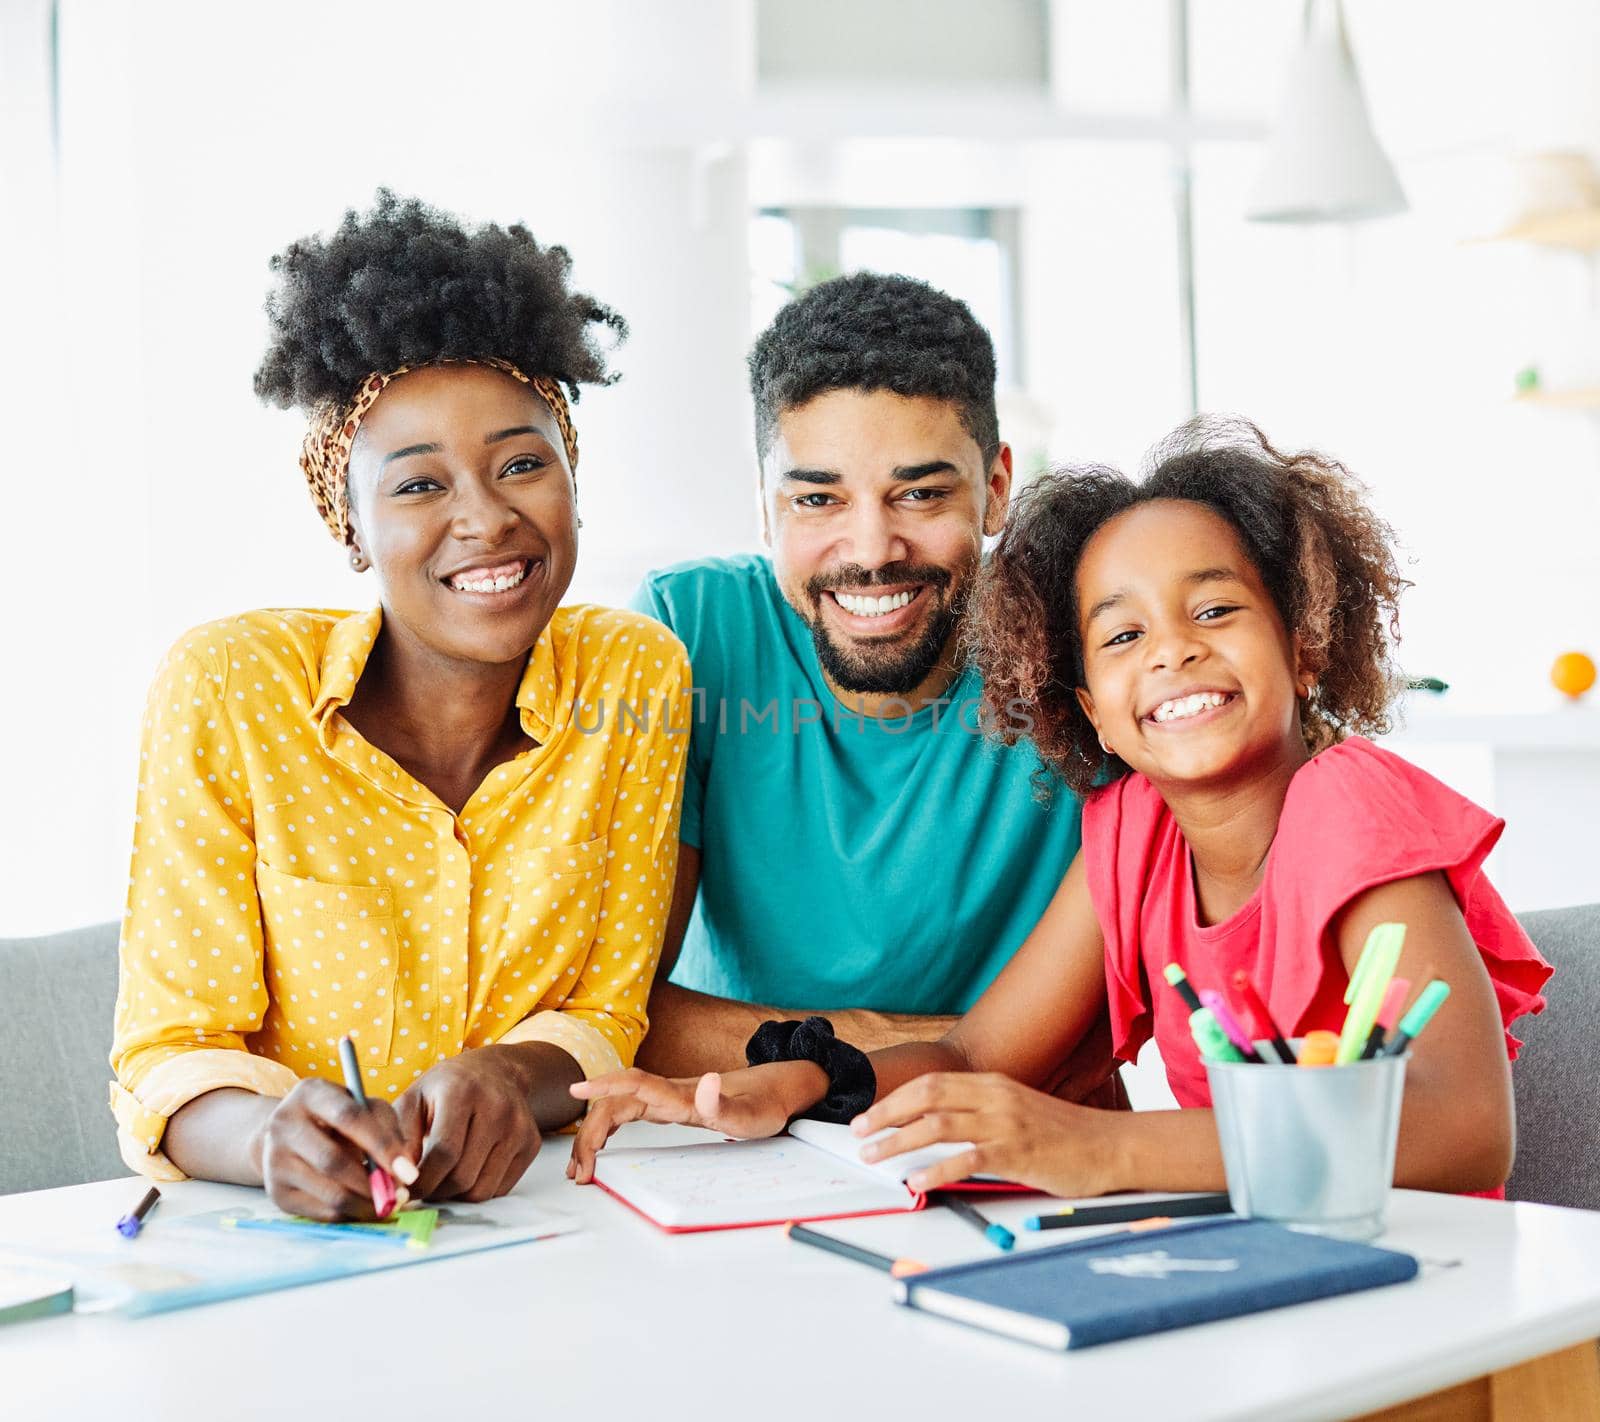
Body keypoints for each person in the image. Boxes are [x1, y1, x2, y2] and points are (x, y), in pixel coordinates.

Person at [569, 418, 1552, 1198]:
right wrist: (801, 1083)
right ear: (1090, 711)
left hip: (1421, 1278)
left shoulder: (1348, 806)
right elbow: (974, 1051)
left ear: (1303, 644)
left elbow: (1462, 1127)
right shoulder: (1132, 834)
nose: (1170, 651)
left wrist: (1104, 1145)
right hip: (1265, 1255)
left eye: (1213, 610)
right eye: (1121, 636)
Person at [110, 192, 690, 1220]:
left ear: (571, 478)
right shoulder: (231, 688)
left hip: (550, 1229)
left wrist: (511, 1075)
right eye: (419, 486)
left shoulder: (634, 675)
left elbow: (607, 1009)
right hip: (282, 1253)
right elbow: (171, 1047)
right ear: (351, 524)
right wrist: (266, 1139)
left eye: (522, 464)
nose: (485, 518)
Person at [628, 273, 1104, 1098]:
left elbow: (1121, 1027)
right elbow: (618, 1009)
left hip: (1008, 1140)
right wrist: (949, 1045)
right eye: (819, 498)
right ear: (765, 507)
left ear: (995, 490)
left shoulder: (1088, 637)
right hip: (730, 1133)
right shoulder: (686, 630)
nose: (872, 548)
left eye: (919, 494)